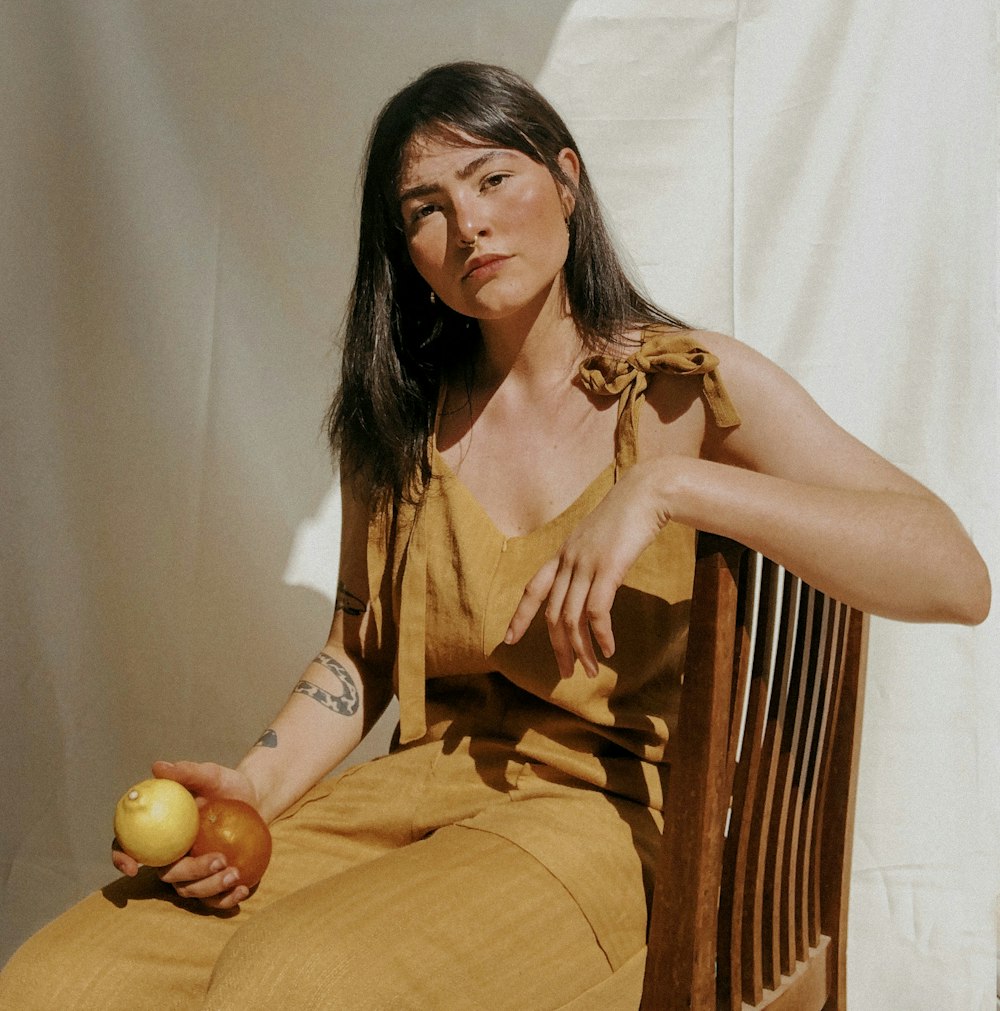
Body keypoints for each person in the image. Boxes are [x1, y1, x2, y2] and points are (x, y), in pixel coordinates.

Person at [1, 61, 989, 1010]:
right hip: (413, 802)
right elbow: (360, 650)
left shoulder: (685, 387)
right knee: (62, 982)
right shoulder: (400, 421)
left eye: (491, 176)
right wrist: (254, 786)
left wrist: (668, 484)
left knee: (299, 986)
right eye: (424, 208)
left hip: (604, 826)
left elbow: (951, 571)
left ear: (566, 180)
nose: (465, 221)